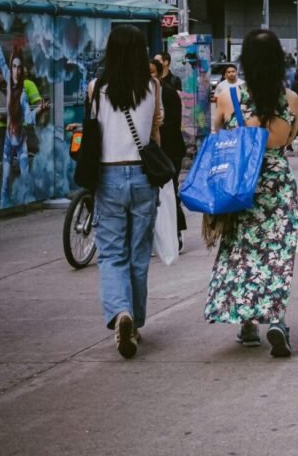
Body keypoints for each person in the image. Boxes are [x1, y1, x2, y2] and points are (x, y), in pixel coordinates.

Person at [204, 29, 298, 357]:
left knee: (240, 251)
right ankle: (276, 318)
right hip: (277, 180)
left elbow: (216, 133)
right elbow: (290, 139)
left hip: (239, 182)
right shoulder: (290, 99)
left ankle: (247, 324)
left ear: (244, 61)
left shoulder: (228, 96)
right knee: (277, 254)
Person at [90, 25, 163, 359]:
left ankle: (122, 312)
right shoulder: (153, 86)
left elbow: (94, 133)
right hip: (142, 174)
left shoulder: (96, 88)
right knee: (138, 252)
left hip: (107, 173)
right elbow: (155, 131)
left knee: (111, 252)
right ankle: (134, 323)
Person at [0, 26, 45, 206]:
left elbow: (28, 117)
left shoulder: (23, 91)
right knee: (6, 175)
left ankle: (27, 199)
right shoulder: (8, 82)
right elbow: (0, 59)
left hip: (20, 136)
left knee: (24, 171)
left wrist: (39, 110)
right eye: (14, 67)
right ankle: (4, 203)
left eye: (19, 67)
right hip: (9, 136)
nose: (16, 70)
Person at [151, 59, 187, 248]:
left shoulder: (169, 93)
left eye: (152, 73)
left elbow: (173, 123)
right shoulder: (141, 94)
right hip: (150, 153)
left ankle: (176, 232)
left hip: (170, 151)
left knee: (170, 192)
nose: (149, 78)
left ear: (160, 73)